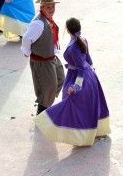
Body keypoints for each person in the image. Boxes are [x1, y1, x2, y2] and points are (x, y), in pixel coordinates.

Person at [34, 17, 110, 145]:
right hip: (90, 75)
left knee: (71, 103)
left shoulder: (73, 48)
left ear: (68, 30)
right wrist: (75, 67)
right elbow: (88, 61)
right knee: (87, 106)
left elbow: (81, 67)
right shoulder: (83, 40)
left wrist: (75, 86)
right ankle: (89, 132)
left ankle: (79, 135)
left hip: (79, 77)